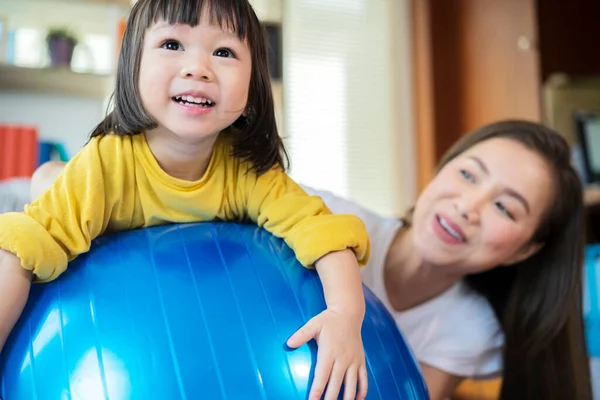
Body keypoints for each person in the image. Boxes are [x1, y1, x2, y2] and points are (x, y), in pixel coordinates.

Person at [0, 1, 370, 399]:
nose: (198, 68)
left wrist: (345, 315)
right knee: (48, 186)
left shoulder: (249, 171)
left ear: (254, 82)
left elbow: (324, 232)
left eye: (224, 52)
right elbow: (19, 249)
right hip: (90, 210)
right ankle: (50, 178)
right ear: (132, 65)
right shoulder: (107, 164)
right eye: (173, 44)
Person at [304, 120, 592, 400]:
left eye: (504, 207)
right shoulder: (319, 215)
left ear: (525, 250)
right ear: (443, 167)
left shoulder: (470, 326)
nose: (467, 207)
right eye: (468, 175)